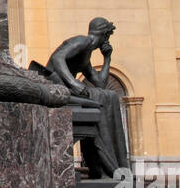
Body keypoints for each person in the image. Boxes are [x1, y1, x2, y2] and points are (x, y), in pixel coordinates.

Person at [32, 17, 129, 178]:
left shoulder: (86, 56)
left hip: (66, 89)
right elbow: (58, 58)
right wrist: (73, 82)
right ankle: (108, 160)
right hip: (55, 88)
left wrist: (107, 58)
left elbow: (100, 82)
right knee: (106, 99)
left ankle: (104, 162)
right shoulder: (82, 41)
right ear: (105, 35)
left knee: (107, 96)